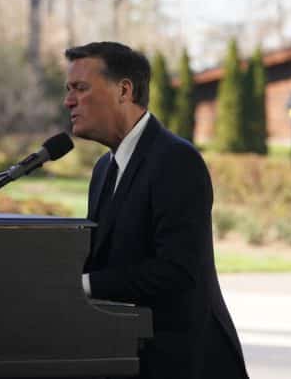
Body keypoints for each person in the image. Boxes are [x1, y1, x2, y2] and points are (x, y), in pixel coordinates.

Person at [63, 41, 248, 379]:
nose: (69, 101)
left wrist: (84, 285)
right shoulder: (104, 168)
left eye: (81, 88)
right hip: (126, 354)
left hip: (186, 362)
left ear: (123, 90)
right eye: (68, 89)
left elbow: (176, 271)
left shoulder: (177, 161)